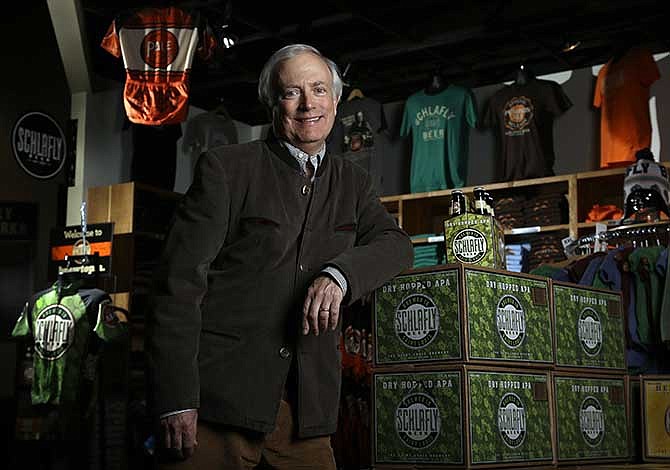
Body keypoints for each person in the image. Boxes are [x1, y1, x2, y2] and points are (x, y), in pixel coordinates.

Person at [147, 43, 413, 469]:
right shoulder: (226, 169)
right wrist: (176, 398)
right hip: (218, 405)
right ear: (272, 103)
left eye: (319, 90)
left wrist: (339, 275)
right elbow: (177, 286)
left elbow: (397, 246)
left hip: (305, 411)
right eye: (292, 93)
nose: (309, 104)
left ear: (336, 99)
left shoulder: (354, 182)